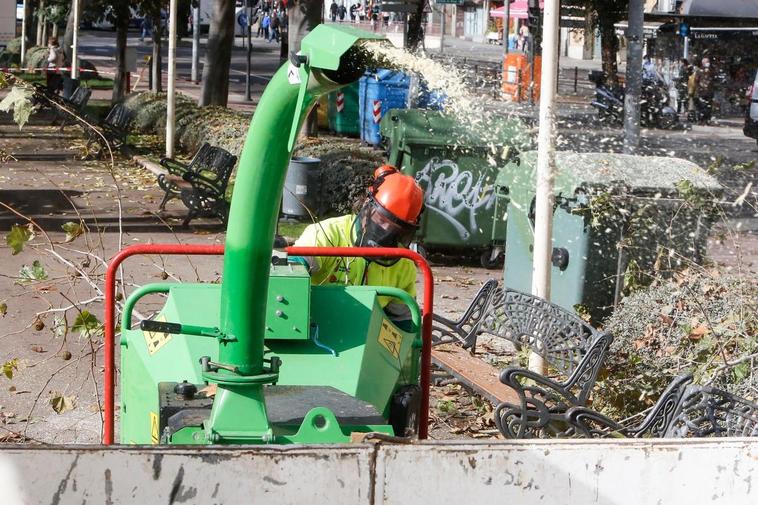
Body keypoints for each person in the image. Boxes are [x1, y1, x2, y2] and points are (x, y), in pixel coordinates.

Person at [293, 166, 424, 325]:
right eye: (381, 221)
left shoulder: (403, 264)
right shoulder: (327, 234)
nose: (385, 233)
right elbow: (292, 272)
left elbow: (403, 323)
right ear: (367, 205)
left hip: (368, 339)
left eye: (395, 229)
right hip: (315, 328)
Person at [695, 56, 715, 124]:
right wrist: (699, 89)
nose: (708, 63)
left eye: (708, 62)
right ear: (703, 63)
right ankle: (701, 120)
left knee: (708, 107)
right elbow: (696, 81)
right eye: (706, 62)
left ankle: (707, 119)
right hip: (702, 92)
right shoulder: (699, 71)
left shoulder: (711, 71)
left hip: (709, 92)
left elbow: (713, 80)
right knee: (701, 106)